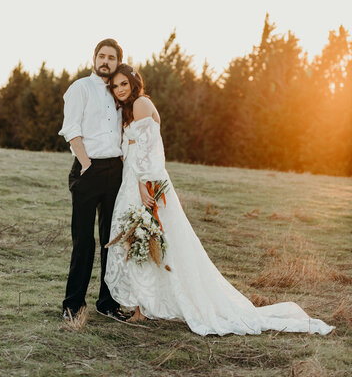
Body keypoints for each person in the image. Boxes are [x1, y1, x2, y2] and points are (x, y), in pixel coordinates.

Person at [105, 64, 334, 336]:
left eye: (124, 84)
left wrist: (145, 184)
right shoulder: (128, 111)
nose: (120, 89)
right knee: (141, 239)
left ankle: (143, 309)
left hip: (144, 181)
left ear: (134, 83)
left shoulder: (142, 103)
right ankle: (141, 307)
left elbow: (148, 150)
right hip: (131, 181)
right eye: (115, 86)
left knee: (150, 238)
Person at [58, 39, 126, 322]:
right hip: (88, 170)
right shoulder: (80, 88)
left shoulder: (120, 92)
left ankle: (107, 302)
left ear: (118, 61)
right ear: (94, 58)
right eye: (102, 55)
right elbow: (71, 128)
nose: (106, 61)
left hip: (115, 173)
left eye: (111, 57)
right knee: (84, 241)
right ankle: (73, 304)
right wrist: (85, 162)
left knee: (112, 239)